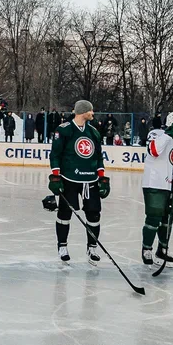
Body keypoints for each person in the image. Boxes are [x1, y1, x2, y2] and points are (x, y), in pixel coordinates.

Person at [48, 100, 108, 264]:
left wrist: (102, 177)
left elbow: (98, 157)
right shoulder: (64, 130)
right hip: (69, 179)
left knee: (94, 214)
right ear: (83, 112)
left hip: (91, 180)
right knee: (65, 213)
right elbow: (55, 154)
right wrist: (56, 176)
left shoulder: (94, 132)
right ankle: (62, 246)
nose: (93, 113)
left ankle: (92, 247)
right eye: (91, 111)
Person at [140, 112, 173, 267]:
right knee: (154, 217)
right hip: (154, 183)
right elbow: (153, 151)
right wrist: (168, 134)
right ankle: (147, 249)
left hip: (170, 185)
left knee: (168, 219)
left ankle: (162, 250)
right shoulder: (156, 134)